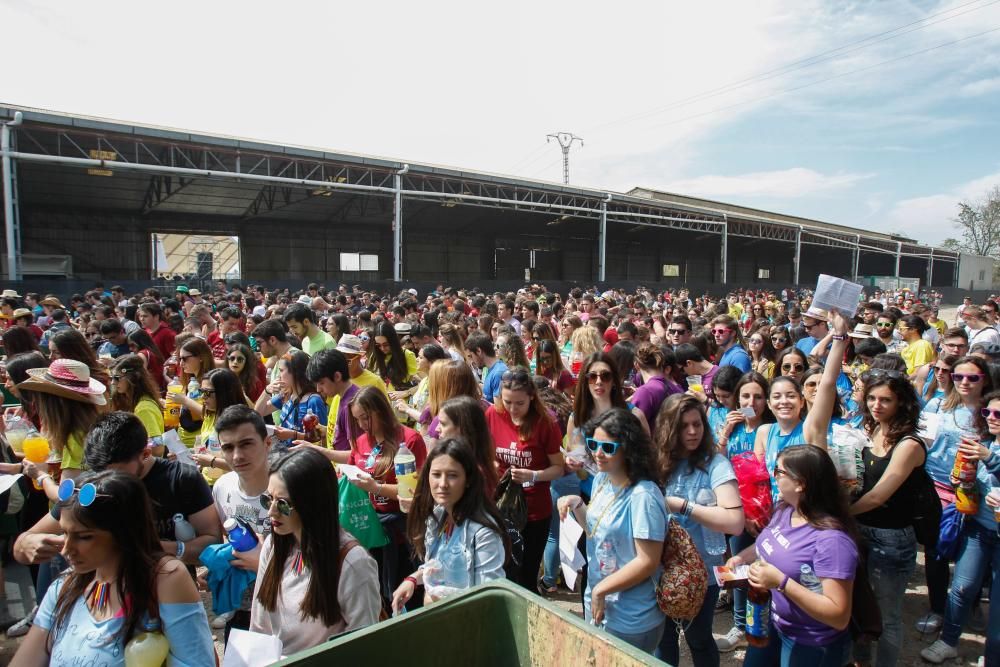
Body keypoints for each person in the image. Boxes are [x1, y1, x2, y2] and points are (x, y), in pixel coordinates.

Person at [10, 471, 215, 667]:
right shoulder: (63, 588)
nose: (66, 549)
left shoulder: (165, 578)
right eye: (64, 533)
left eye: (84, 536)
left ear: (123, 533)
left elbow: (196, 661)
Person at [732, 445, 858, 667]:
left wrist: (780, 582)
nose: (774, 477)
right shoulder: (786, 510)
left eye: (779, 472)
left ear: (800, 483)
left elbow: (838, 615)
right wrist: (743, 557)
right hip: (774, 624)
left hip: (811, 643)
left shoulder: (832, 541)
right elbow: (770, 544)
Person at [557, 409, 667, 654]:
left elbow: (648, 561)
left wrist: (601, 590)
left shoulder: (643, 495)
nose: (597, 453)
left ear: (628, 448)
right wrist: (578, 505)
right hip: (601, 604)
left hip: (633, 615)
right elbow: (596, 532)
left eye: (607, 447)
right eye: (593, 444)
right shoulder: (601, 480)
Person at [251, 448, 381, 656]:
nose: (271, 511)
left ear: (312, 504)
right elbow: (260, 626)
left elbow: (362, 646)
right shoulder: (274, 546)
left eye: (283, 504)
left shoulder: (353, 563)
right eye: (268, 499)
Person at [655, 393, 745, 666]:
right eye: (683, 426)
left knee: (699, 637)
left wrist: (684, 506)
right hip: (659, 570)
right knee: (664, 638)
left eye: (697, 424)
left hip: (701, 575)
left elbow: (735, 521)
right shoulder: (655, 463)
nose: (692, 432)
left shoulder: (715, 464)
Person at [849, 370, 928, 667]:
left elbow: (879, 495)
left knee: (887, 615)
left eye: (886, 400)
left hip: (891, 539)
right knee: (860, 606)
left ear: (902, 403)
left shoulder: (909, 444)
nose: (876, 405)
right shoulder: (874, 431)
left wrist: (842, 513)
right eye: (871, 398)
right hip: (862, 531)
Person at [920, 390, 1000, 664]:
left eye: (998, 414)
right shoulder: (983, 442)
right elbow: (971, 483)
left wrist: (989, 458)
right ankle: (949, 641)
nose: (992, 418)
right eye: (987, 412)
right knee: (962, 588)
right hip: (978, 528)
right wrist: (963, 481)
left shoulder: (987, 450)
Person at [392, 438, 508, 611]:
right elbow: (440, 563)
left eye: (452, 475)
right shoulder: (439, 516)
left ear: (468, 480)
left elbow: (488, 597)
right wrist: (414, 579)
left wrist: (437, 601)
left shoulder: (483, 533)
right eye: (436, 474)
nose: (443, 484)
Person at [347, 385, 428, 603]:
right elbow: (353, 466)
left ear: (380, 410)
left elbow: (416, 490)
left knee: (408, 594)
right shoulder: (362, 441)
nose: (363, 425)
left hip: (404, 531)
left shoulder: (409, 440)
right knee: (381, 595)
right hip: (373, 530)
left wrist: (376, 488)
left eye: (366, 418)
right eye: (357, 420)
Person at [486, 367, 564, 591]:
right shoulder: (493, 414)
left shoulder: (545, 422)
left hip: (534, 511)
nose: (512, 409)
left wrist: (534, 475)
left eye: (519, 403)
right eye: (507, 401)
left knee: (527, 576)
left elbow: (558, 468)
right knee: (503, 571)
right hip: (501, 506)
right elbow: (488, 454)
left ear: (531, 397)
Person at [210, 405, 275, 635]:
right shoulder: (222, 487)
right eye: (228, 447)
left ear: (267, 443)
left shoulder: (290, 492)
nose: (237, 455)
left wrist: (263, 565)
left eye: (246, 444)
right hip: (241, 612)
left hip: (283, 613)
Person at [17, 358, 106, 489]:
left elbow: (65, 498)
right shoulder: (86, 427)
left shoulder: (76, 438)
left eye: (40, 400)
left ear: (52, 404)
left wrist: (40, 475)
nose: (35, 405)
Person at [254, 349, 328, 450]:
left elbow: (322, 439)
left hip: (303, 459)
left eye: (281, 371)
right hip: (285, 454)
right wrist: (266, 391)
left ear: (294, 372)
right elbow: (258, 412)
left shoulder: (314, 401)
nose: (278, 376)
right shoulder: (286, 394)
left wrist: (293, 434)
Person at [437, 396, 500, 497]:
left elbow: (462, 510)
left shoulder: (475, 474)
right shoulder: (457, 460)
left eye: (443, 424)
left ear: (463, 429)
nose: (437, 429)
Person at [108, 354, 164, 455]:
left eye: (117, 378)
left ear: (134, 377)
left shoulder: (143, 408)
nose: (112, 382)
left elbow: (158, 449)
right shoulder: (133, 402)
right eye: (111, 378)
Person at [369, 320, 419, 391]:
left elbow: (419, 383)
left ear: (392, 341)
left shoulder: (407, 355)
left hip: (401, 399)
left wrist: (406, 393)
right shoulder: (374, 356)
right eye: (378, 345)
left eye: (386, 344)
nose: (382, 348)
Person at [466, 331, 508, 404]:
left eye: (471, 356)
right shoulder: (489, 369)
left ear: (478, 351)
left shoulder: (498, 374)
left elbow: (499, 409)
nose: (472, 361)